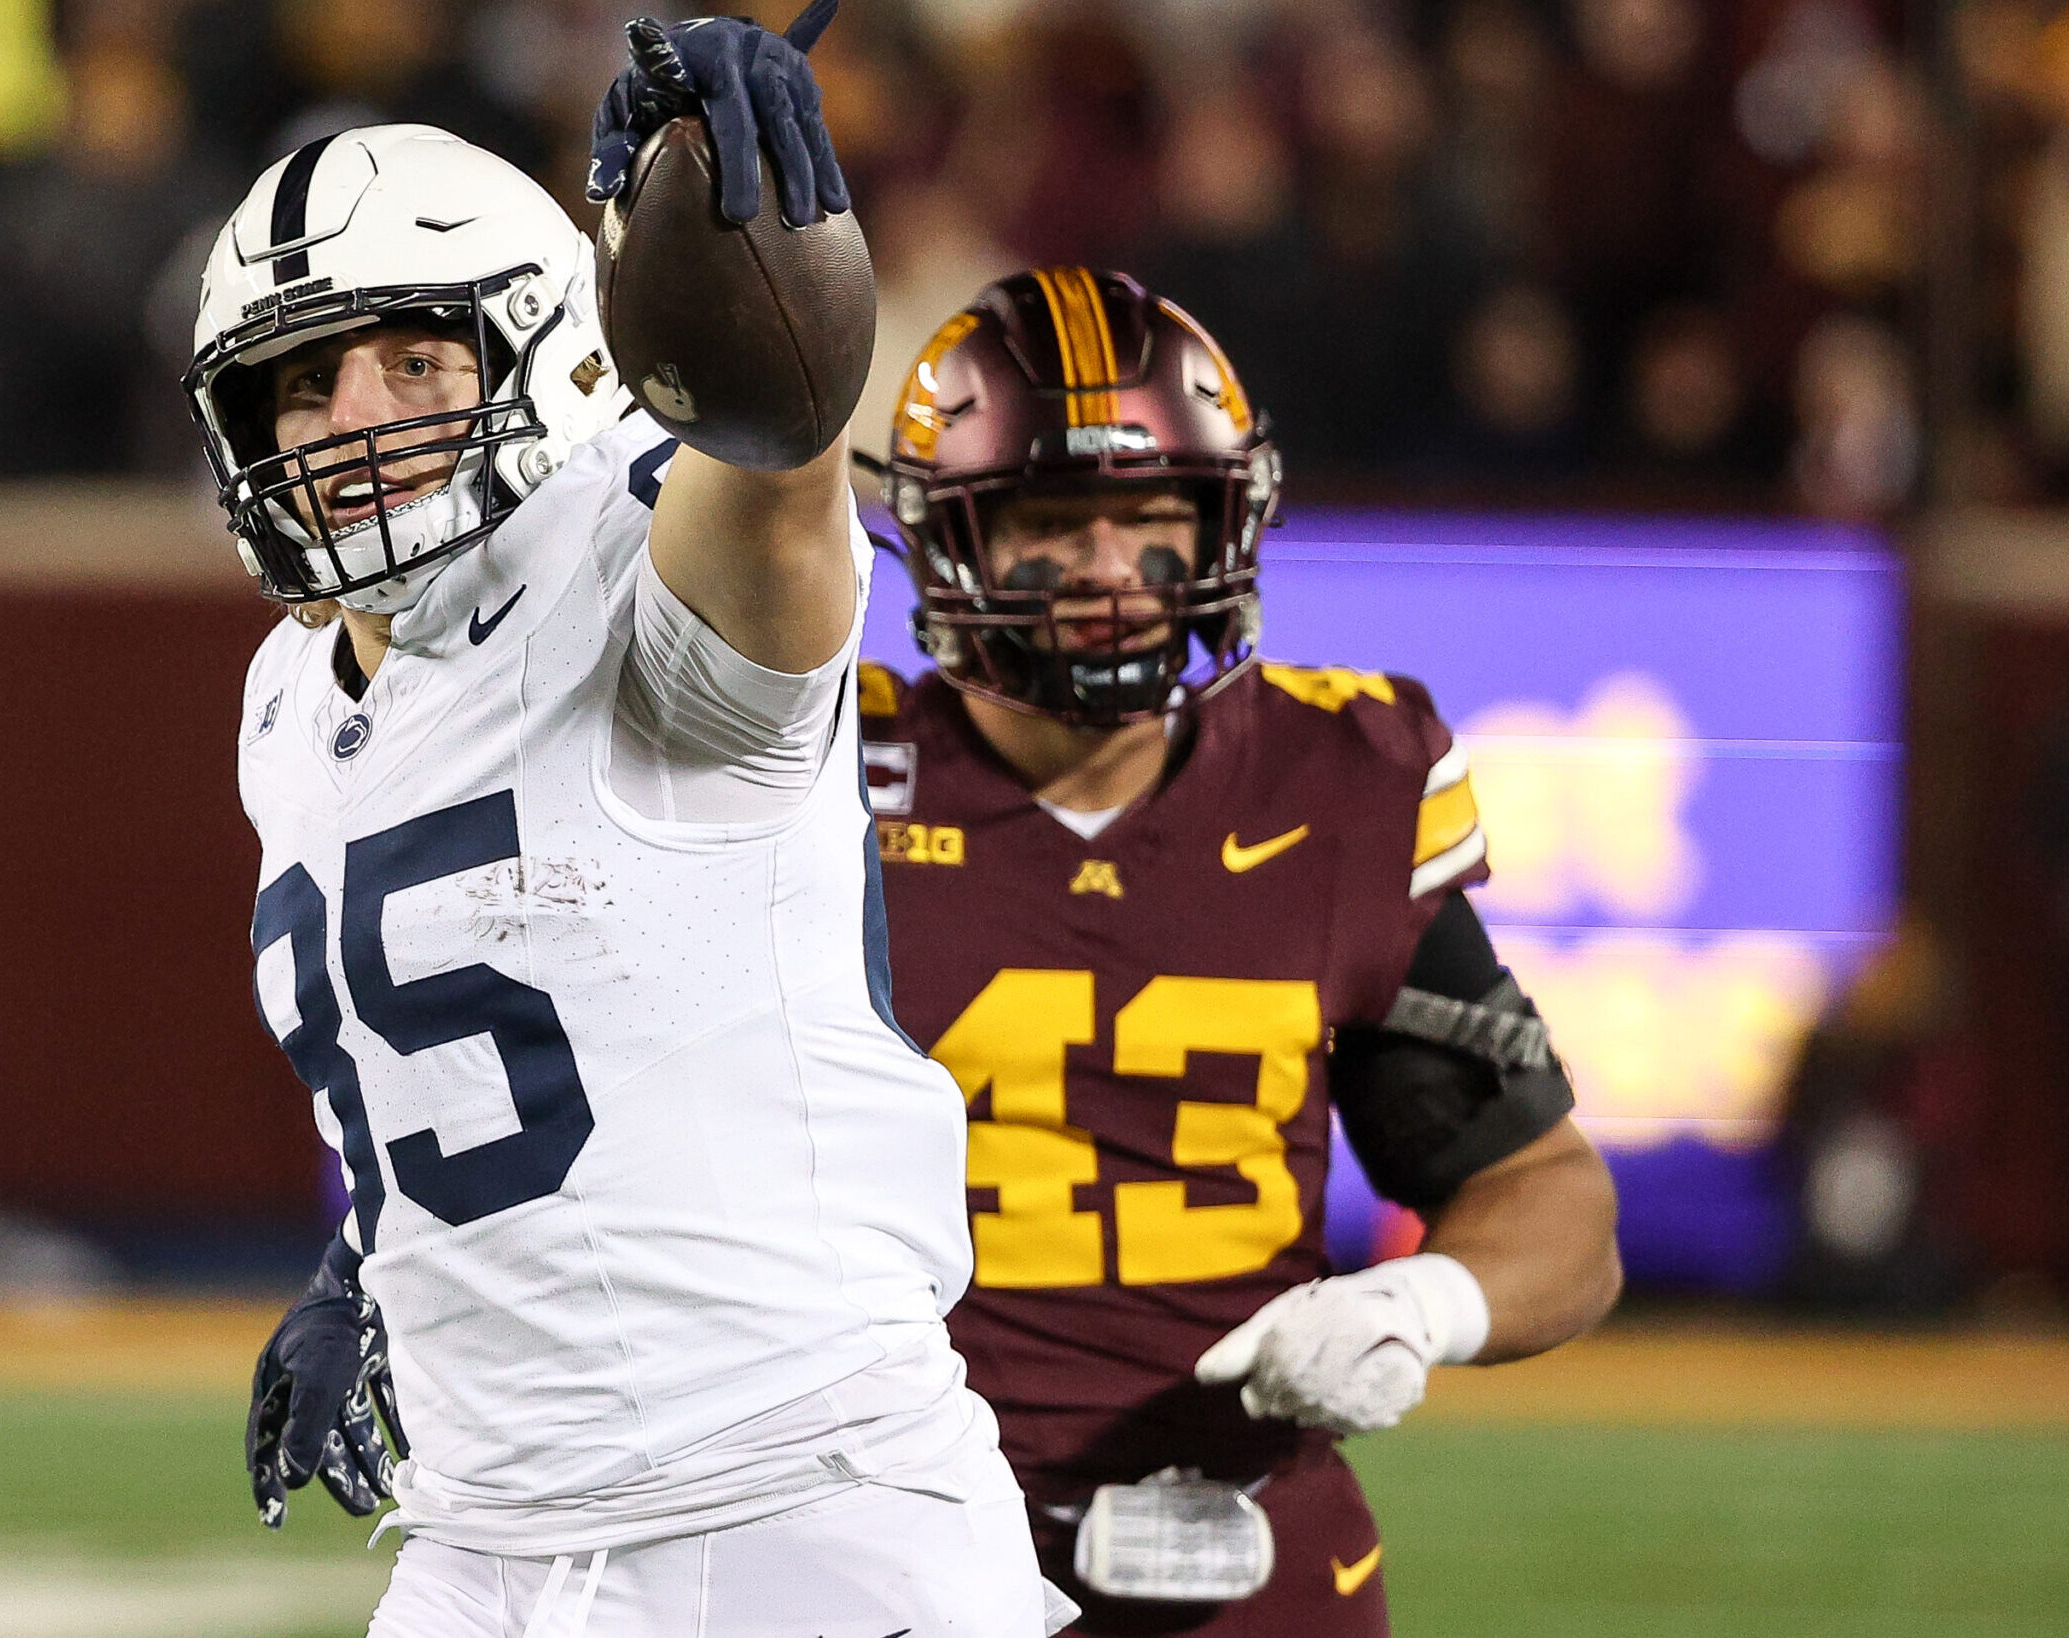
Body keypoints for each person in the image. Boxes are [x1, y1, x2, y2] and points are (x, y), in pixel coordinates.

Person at [184, 11, 1060, 1635]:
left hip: (796, 1507)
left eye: (415, 358)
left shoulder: (633, 551)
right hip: (478, 1533)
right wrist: (359, 1273)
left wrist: (735, 233)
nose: (351, 418)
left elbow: (775, 476)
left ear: (550, 350)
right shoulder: (285, 697)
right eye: (300, 383)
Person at [860, 267, 1623, 1635]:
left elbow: (1546, 1192)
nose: (1107, 570)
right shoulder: (819, 782)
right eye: (1050, 523)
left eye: (1151, 517)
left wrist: (1415, 1306)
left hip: (1249, 1560)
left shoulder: (1334, 777)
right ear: (947, 537)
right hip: (880, 1547)